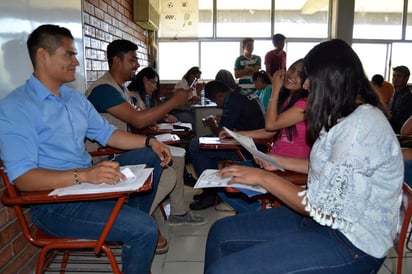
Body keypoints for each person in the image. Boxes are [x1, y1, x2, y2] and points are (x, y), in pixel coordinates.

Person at [204, 39, 403, 274]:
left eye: (311, 78)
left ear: (331, 80)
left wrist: (262, 178)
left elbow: (321, 207)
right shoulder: (341, 116)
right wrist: (276, 162)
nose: (306, 86)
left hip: (353, 243)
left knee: (226, 269)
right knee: (220, 233)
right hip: (321, 223)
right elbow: (327, 168)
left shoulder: (360, 126)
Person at [0, 24, 173, 274]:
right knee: (145, 228)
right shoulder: (16, 107)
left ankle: (129, 224)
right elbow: (24, 180)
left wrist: (150, 142)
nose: (76, 62)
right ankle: (136, 227)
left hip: (87, 187)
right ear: (42, 56)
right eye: (68, 54)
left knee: (151, 156)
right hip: (56, 205)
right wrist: (84, 175)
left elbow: (108, 134)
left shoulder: (74, 99)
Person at [87, 44, 205, 233]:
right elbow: (138, 120)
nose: (137, 64)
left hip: (119, 152)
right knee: (167, 165)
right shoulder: (103, 90)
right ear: (117, 61)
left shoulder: (121, 90)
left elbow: (137, 121)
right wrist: (175, 101)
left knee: (172, 165)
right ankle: (130, 223)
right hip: (105, 158)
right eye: (132, 60)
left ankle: (147, 218)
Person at [218, 59, 310, 213]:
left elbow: (271, 125)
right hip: (271, 161)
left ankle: (262, 213)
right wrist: (238, 134)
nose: (292, 75)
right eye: (292, 69)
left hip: (288, 167)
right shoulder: (290, 99)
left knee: (225, 181)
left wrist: (275, 90)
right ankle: (261, 211)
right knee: (222, 179)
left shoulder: (304, 104)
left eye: (300, 74)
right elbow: (272, 131)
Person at [189, 77, 266, 210]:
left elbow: (221, 135)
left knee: (197, 146)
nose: (217, 105)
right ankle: (211, 191)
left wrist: (212, 124)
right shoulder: (244, 93)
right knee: (202, 145)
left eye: (214, 101)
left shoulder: (232, 101)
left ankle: (210, 194)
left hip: (248, 149)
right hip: (259, 144)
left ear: (220, 95)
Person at [389, 65, 412, 133]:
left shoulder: (409, 97)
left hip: (400, 133)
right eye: (393, 76)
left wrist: (390, 116)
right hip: (390, 127)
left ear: (406, 79)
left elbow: (404, 120)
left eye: (398, 76)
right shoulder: (395, 93)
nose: (395, 78)